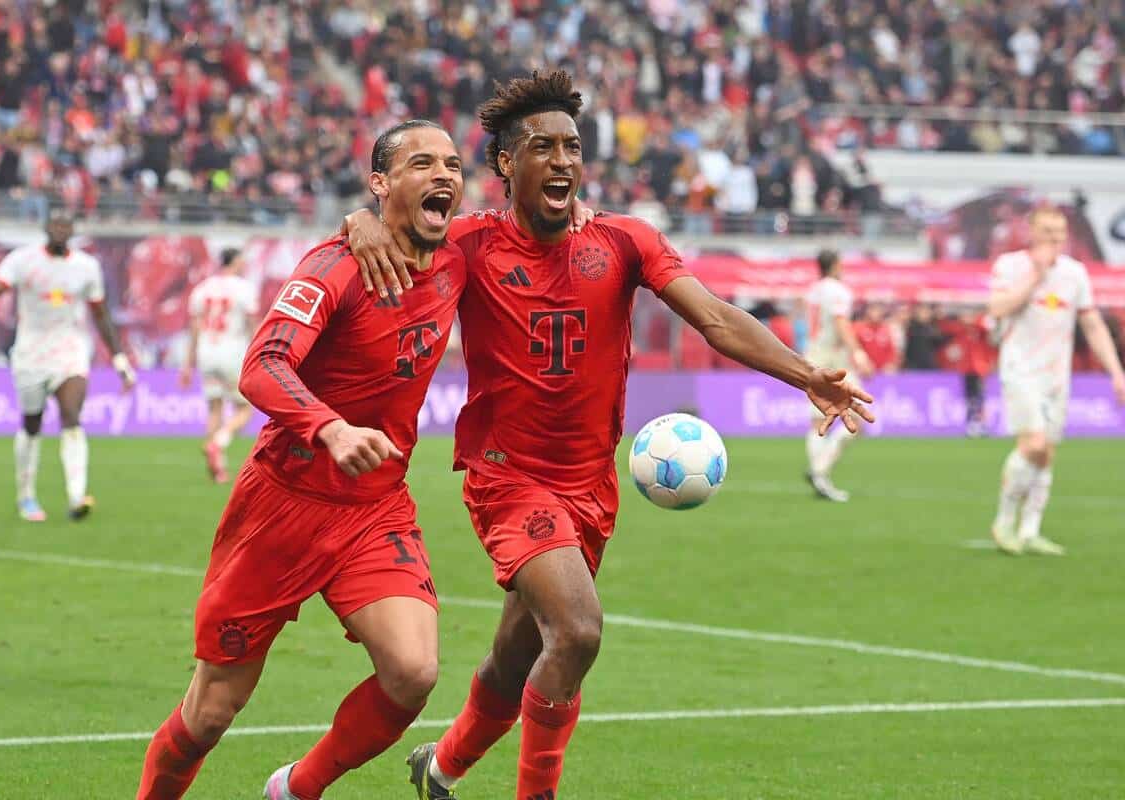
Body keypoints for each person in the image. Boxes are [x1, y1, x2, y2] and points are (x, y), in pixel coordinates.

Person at [342, 70, 874, 800]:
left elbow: (715, 318)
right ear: (504, 164)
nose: (562, 160)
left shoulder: (625, 241)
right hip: (508, 477)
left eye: (572, 146)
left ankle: (442, 766)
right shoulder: (469, 245)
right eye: (542, 147)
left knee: (513, 657)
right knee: (580, 632)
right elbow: (388, 227)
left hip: (590, 484)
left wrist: (806, 373)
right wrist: (361, 221)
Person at [135, 120, 468, 800]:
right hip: (281, 505)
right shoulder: (334, 266)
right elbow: (262, 365)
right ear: (380, 184)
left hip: (374, 507)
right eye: (421, 163)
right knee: (212, 711)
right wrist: (330, 428)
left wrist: (574, 206)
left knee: (413, 671)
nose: (444, 175)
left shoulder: (463, 253)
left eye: (454, 165)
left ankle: (296, 788)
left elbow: (540, 220)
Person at [0, 208, 135, 522]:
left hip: (70, 351)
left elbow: (100, 315)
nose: (60, 229)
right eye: (55, 224)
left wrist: (119, 359)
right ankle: (26, 496)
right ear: (46, 227)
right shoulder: (22, 260)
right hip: (30, 353)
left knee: (72, 416)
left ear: (72, 230)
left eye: (65, 225)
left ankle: (76, 496)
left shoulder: (86, 267)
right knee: (32, 424)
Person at [987, 207, 1125, 555]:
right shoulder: (1010, 266)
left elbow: (1092, 324)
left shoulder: (1074, 274)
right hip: (1020, 370)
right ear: (1030, 232)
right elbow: (998, 308)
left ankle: (1030, 530)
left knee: (1046, 453)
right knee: (1032, 443)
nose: (1055, 238)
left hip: (1056, 377)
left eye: (1060, 232)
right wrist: (1036, 275)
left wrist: (1116, 372)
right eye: (1048, 231)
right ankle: (1004, 521)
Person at [180, 247, 260, 483]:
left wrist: (188, 364)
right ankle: (218, 442)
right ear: (235, 262)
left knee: (214, 408)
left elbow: (194, 328)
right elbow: (252, 323)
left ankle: (217, 469)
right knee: (245, 408)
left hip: (207, 353)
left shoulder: (202, 288)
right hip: (231, 353)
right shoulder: (244, 288)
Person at [802, 249, 874, 502]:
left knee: (817, 422)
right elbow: (841, 322)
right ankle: (820, 470)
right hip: (833, 360)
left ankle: (819, 477)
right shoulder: (838, 290)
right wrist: (859, 353)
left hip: (812, 355)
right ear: (835, 265)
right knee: (859, 419)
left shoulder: (813, 290)